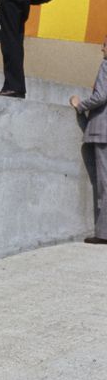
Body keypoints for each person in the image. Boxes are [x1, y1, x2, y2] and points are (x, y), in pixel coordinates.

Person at [71, 35, 107, 244]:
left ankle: (103, 233)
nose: (101, 49)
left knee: (104, 183)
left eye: (104, 45)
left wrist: (79, 105)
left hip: (103, 131)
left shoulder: (105, 66)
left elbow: (101, 95)